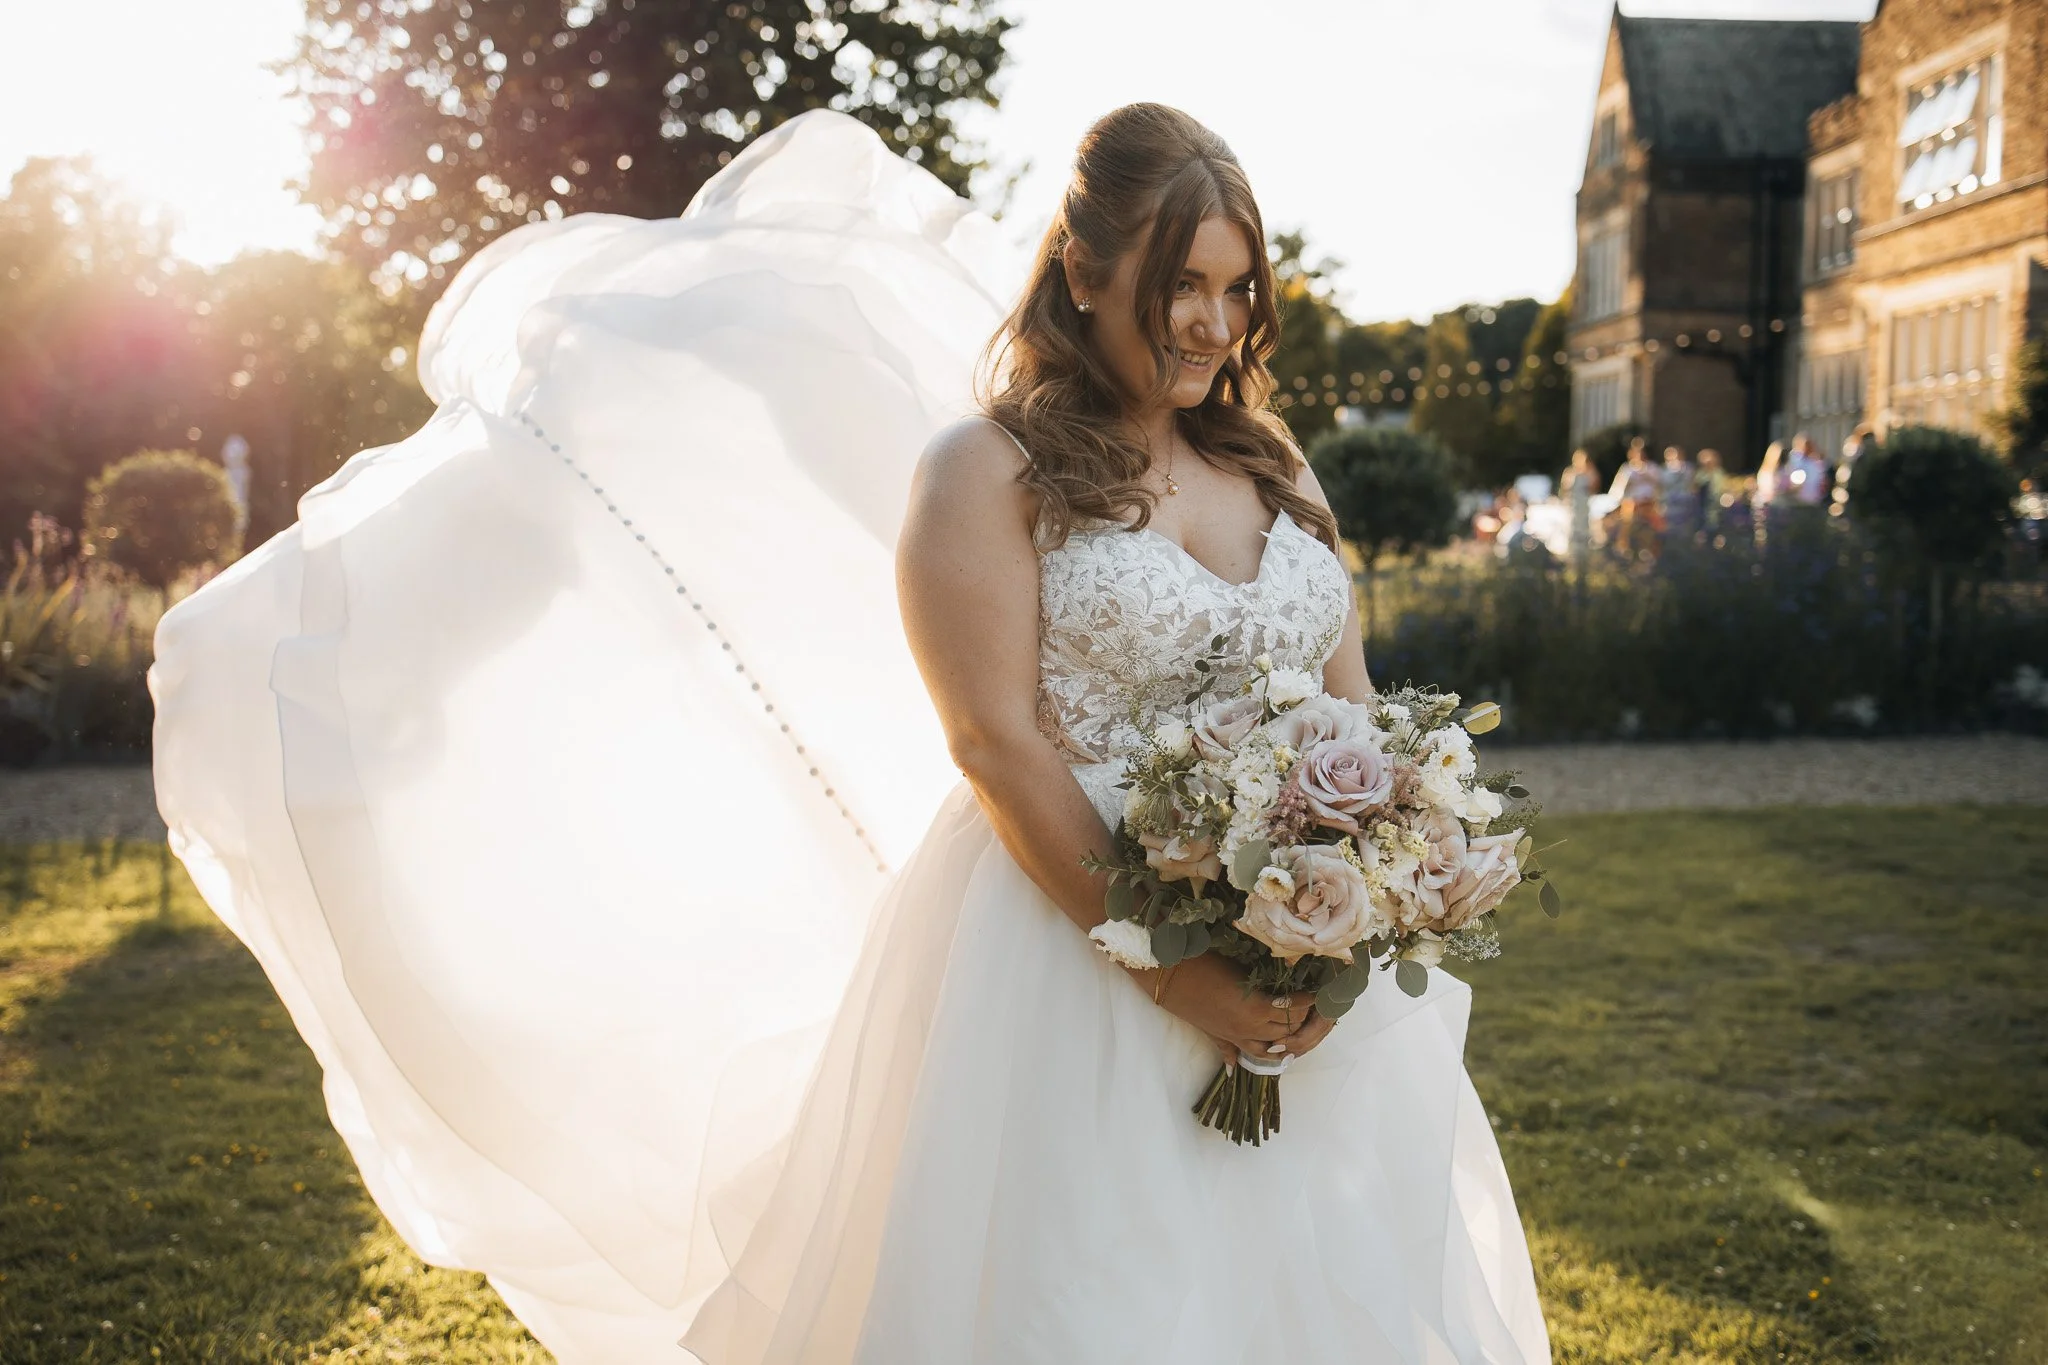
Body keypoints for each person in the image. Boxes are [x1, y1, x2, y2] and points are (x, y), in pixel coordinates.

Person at [149, 107, 1550, 1363]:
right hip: (1077, 958)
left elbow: (1352, 703)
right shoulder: (984, 473)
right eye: (1177, 281)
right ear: (1082, 271)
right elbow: (998, 744)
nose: (1209, 320)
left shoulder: (1276, 464)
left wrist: (1370, 892)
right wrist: (1182, 978)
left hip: (1303, 966)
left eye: (1236, 285)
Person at [1607, 436, 1661, 557]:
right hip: (1631, 504)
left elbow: (1659, 486)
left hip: (1649, 504)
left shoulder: (1652, 468)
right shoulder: (1626, 469)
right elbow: (1617, 490)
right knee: (1626, 520)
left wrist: (1645, 475)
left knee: (1657, 524)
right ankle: (1623, 545)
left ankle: (1652, 549)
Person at [1560, 447, 1598, 563]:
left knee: (1584, 531)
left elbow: (1594, 488)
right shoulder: (1569, 472)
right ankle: (1572, 556)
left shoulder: (1590, 473)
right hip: (1572, 506)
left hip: (1584, 507)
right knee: (1572, 530)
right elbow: (1564, 489)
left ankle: (1584, 556)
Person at [1657, 444, 1699, 539]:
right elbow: (1660, 488)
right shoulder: (1662, 470)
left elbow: (1692, 486)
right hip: (1669, 503)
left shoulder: (1688, 468)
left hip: (1685, 502)